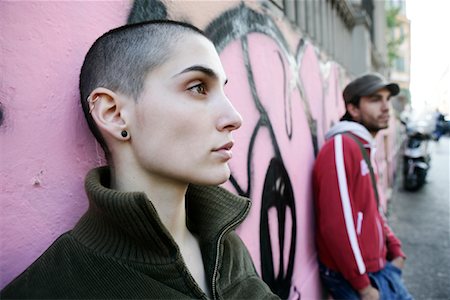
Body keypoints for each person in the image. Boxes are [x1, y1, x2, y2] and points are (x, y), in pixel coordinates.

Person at [1, 20, 279, 299]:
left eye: (223, 90)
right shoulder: (50, 288)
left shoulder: (225, 244)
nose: (234, 118)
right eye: (198, 87)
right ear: (114, 113)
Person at [313, 73, 413, 300]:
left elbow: (371, 209)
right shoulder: (341, 147)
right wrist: (363, 287)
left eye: (387, 99)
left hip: (379, 269)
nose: (386, 107)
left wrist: (395, 249)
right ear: (354, 109)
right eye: (375, 99)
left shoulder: (363, 147)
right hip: (357, 279)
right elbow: (337, 223)